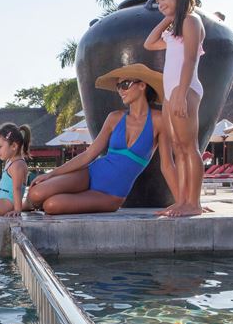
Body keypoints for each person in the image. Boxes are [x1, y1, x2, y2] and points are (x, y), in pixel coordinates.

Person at [27, 64, 178, 215]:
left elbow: (167, 166)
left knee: (52, 205)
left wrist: (183, 203)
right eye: (118, 86)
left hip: (110, 195)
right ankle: (21, 205)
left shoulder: (159, 120)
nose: (120, 91)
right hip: (91, 174)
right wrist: (52, 173)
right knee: (36, 193)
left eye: (125, 85)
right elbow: (89, 154)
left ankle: (31, 204)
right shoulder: (114, 118)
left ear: (142, 86)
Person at [144, 0, 206, 217]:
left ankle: (194, 203)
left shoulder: (192, 21)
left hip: (185, 88)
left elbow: (189, 59)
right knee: (178, 148)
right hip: (172, 92)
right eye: (158, 0)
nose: (160, 4)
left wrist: (181, 92)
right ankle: (182, 201)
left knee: (189, 147)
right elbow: (149, 43)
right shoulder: (174, 30)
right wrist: (167, 18)